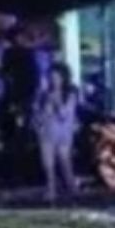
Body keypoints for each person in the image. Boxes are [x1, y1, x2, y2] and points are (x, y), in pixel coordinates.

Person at [34, 63, 80, 204]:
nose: (54, 80)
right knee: (48, 164)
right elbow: (37, 112)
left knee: (65, 162)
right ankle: (51, 190)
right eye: (52, 76)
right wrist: (38, 124)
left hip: (63, 134)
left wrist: (57, 101)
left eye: (57, 77)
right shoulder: (44, 93)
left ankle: (72, 189)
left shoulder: (71, 93)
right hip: (46, 132)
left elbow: (64, 114)